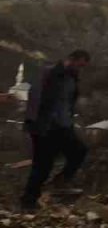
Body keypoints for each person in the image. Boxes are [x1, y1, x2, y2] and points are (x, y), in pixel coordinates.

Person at [19, 49, 91, 211]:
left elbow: (68, 104)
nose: (79, 69)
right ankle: (28, 201)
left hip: (63, 127)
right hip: (45, 128)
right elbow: (34, 98)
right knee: (42, 166)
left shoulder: (72, 79)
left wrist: (69, 121)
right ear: (71, 59)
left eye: (82, 67)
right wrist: (36, 125)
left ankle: (60, 181)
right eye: (78, 65)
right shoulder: (49, 73)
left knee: (79, 151)